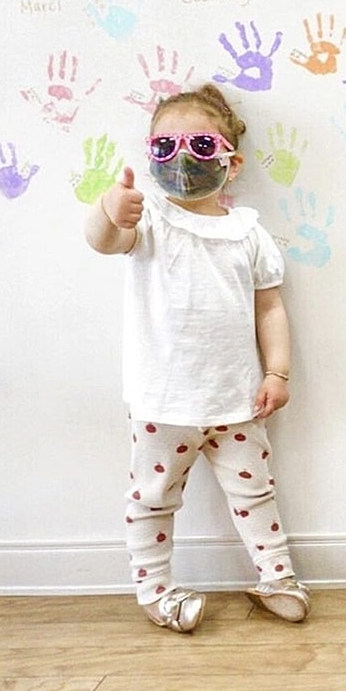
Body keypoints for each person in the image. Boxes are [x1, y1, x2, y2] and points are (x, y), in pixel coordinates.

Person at [84, 84, 310, 633]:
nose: (181, 158)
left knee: (256, 491)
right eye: (163, 147)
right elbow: (104, 241)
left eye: (201, 146)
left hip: (238, 400)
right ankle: (155, 591)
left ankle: (277, 577)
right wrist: (109, 209)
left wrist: (277, 371)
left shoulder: (248, 234)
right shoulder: (150, 222)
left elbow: (270, 309)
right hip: (163, 402)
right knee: (153, 499)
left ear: (232, 164)